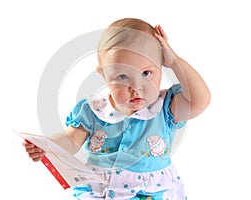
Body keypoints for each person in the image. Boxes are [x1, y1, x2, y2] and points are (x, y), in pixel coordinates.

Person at [23, 18, 211, 199]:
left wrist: (175, 61)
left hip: (149, 193)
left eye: (147, 73)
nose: (136, 86)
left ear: (161, 66)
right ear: (103, 74)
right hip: (100, 190)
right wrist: (48, 146)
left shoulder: (166, 108)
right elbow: (70, 140)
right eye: (122, 76)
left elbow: (200, 100)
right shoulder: (93, 110)